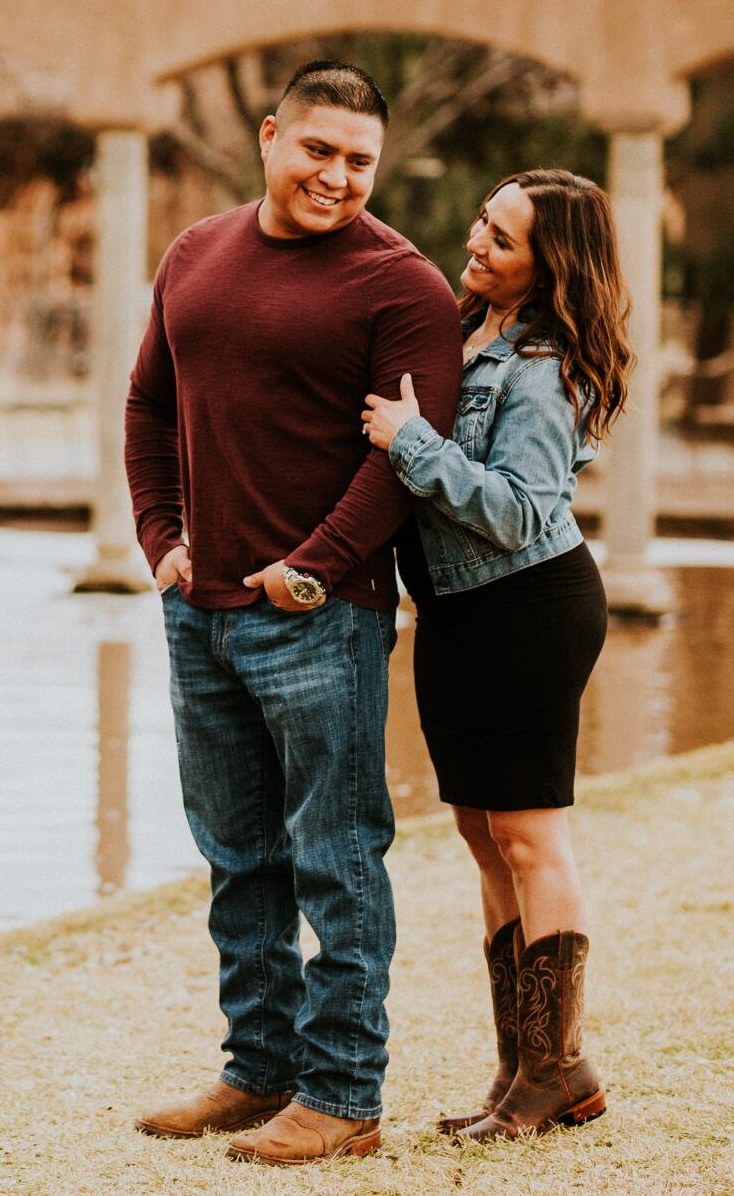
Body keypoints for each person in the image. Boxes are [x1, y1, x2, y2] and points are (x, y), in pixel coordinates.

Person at [124, 60, 462, 1165]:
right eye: (317, 150)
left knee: (336, 856)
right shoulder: (193, 253)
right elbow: (146, 404)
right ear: (271, 137)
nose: (336, 176)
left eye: (359, 161)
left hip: (324, 617)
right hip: (198, 610)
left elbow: (408, 459)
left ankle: (342, 1094)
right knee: (235, 853)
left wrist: (306, 570)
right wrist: (159, 540)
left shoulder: (400, 286)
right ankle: (255, 1070)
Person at [362, 169, 629, 1143]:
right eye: (482, 219)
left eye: (502, 238)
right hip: (461, 617)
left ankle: (555, 1070)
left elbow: (519, 510)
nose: (476, 241)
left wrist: (410, 444)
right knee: (480, 835)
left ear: (547, 265)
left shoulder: (543, 365)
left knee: (528, 838)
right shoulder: (465, 331)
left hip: (526, 610)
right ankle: (524, 1066)